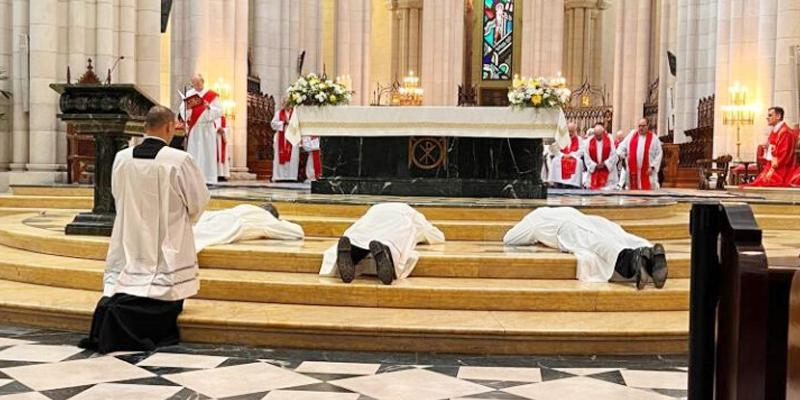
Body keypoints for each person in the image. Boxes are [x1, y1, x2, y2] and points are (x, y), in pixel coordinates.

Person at [80, 106, 210, 354]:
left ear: (145, 127)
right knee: (162, 281)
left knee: (128, 278)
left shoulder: (122, 158)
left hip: (132, 235)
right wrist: (183, 221)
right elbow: (198, 200)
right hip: (167, 238)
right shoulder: (179, 160)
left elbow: (117, 193)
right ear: (169, 127)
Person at [503, 207, 667, 289]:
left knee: (596, 243)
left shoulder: (533, 219)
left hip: (566, 227)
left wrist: (534, 237)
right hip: (589, 219)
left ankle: (632, 259)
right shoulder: (559, 210)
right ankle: (651, 253)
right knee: (618, 235)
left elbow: (509, 238)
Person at [319, 203, 445, 285]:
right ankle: (385, 252)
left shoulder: (376, 208)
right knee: (393, 244)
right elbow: (437, 236)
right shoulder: (414, 215)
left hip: (370, 221)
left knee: (360, 240)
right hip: (397, 224)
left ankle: (351, 253)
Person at [193, 203, 304, 252]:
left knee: (196, 233)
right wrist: (279, 222)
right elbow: (298, 232)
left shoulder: (246, 207)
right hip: (231, 225)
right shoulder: (266, 218)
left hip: (219, 217)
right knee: (199, 239)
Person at [180, 73, 223, 184]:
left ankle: (209, 178)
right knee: (194, 152)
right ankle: (193, 178)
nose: (196, 85)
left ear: (203, 82)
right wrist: (187, 108)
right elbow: (183, 111)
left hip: (207, 128)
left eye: (198, 83)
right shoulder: (189, 94)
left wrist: (209, 107)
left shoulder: (212, 95)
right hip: (195, 127)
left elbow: (220, 111)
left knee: (208, 153)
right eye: (194, 83)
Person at [747, 107, 798, 187]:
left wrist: (773, 165)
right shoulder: (775, 131)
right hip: (772, 165)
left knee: (765, 183)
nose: (767, 118)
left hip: (782, 168)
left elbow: (784, 153)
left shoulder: (785, 132)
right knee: (758, 183)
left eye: (770, 115)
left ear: (778, 116)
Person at [617, 119, 662, 190]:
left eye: (643, 126)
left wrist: (653, 167)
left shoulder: (654, 138)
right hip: (633, 172)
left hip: (647, 172)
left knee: (648, 193)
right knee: (633, 193)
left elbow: (659, 154)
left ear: (647, 126)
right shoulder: (631, 136)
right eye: (639, 126)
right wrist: (621, 154)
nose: (641, 128)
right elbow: (621, 146)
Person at [546, 121, 583, 188]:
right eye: (569, 131)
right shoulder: (560, 138)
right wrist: (562, 155)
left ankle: (573, 184)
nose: (570, 133)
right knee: (555, 161)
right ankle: (557, 183)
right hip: (561, 156)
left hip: (573, 157)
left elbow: (582, 150)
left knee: (579, 162)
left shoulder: (579, 139)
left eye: (572, 131)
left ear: (575, 131)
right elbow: (554, 149)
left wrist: (571, 155)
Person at [271, 102, 301, 182]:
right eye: (285, 103)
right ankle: (279, 176)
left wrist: (291, 123)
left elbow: (299, 125)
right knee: (279, 156)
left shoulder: (295, 114)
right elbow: (273, 124)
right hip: (281, 138)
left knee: (293, 157)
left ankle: (291, 176)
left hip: (293, 139)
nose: (287, 105)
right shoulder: (279, 113)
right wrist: (283, 123)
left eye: (289, 103)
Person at [583, 124, 619, 190]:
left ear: (603, 133)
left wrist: (605, 164)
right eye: (596, 135)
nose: (598, 137)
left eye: (600, 135)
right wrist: (594, 165)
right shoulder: (589, 141)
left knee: (607, 190)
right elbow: (586, 156)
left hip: (608, 172)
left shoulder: (609, 139)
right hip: (594, 170)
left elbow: (613, 154)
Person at [216, 115, 231, 181]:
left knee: (222, 158)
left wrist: (224, 130)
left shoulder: (223, 118)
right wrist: (216, 130)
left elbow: (228, 128)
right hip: (214, 140)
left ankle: (222, 175)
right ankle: (216, 174)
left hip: (222, 139)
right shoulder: (211, 117)